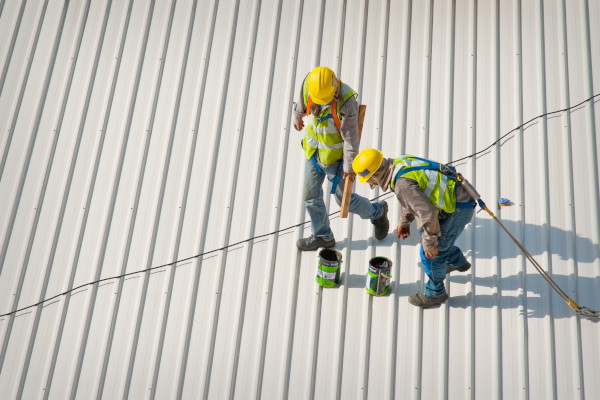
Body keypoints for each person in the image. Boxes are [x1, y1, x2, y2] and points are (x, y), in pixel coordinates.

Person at [352, 148, 476, 307]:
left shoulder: (402, 185)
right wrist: (404, 221)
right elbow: (418, 197)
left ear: (376, 174)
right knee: (440, 244)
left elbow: (428, 213)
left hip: (459, 208)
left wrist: (429, 242)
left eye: (369, 180)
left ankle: (435, 293)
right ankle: (456, 261)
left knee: (431, 254)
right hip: (459, 199)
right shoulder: (400, 163)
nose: (371, 185)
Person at [291, 67, 389, 251]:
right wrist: (297, 116)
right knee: (310, 196)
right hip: (313, 152)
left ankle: (378, 212)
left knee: (345, 201)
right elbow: (301, 104)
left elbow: (351, 138)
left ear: (335, 87)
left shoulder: (347, 101)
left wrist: (349, 166)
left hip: (337, 160)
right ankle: (323, 235)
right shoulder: (310, 83)